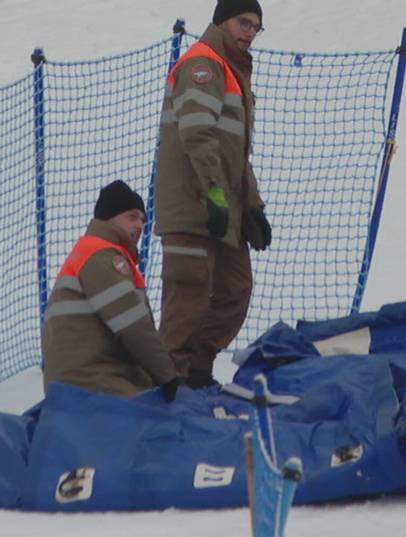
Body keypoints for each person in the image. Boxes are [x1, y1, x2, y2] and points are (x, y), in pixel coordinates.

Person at [154, 0, 271, 388]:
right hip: (194, 208)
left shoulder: (235, 72)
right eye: (244, 22)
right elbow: (198, 136)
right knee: (187, 299)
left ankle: (198, 368)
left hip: (225, 212)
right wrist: (217, 197)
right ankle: (168, 382)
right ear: (222, 20)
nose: (249, 32)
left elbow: (236, 155)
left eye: (256, 27)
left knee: (235, 290)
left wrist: (252, 207)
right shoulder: (202, 64)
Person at [41, 180, 184, 399]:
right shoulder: (102, 258)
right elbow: (133, 325)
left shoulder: (90, 252)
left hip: (77, 381)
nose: (139, 225)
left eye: (142, 220)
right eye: (132, 216)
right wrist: (168, 377)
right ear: (109, 217)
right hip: (89, 383)